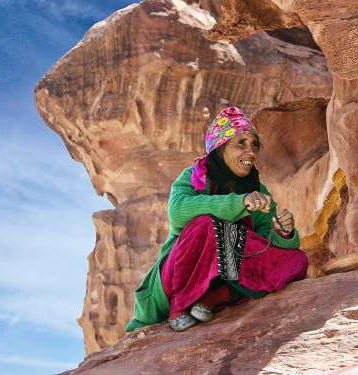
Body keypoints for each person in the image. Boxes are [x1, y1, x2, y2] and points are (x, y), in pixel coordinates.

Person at [125, 106, 308, 332]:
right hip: (177, 276)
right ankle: (181, 306)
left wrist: (283, 233)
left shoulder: (258, 189)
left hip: (227, 273)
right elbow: (178, 211)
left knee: (296, 260)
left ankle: (214, 298)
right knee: (205, 224)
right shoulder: (193, 177)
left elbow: (264, 241)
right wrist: (240, 203)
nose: (250, 151)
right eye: (241, 143)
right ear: (220, 148)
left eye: (254, 144)